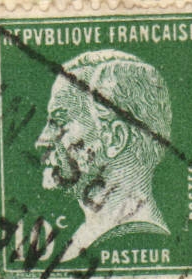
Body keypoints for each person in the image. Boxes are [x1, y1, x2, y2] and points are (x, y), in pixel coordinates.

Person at [34, 48, 174, 258]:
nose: (41, 141)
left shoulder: (128, 238)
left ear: (114, 139)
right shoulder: (87, 238)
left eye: (60, 121)